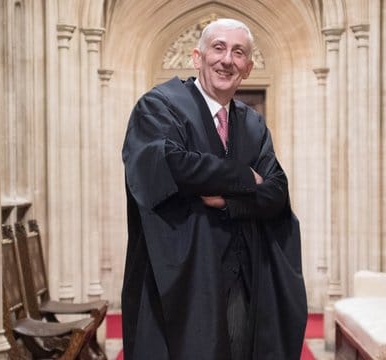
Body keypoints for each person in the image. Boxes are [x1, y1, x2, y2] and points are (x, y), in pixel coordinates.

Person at [121, 18, 307, 359]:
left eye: (239, 53)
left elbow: (277, 191)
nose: (227, 60)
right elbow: (172, 165)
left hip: (241, 281)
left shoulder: (252, 124)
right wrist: (243, 177)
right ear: (197, 56)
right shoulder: (160, 106)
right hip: (182, 279)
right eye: (218, 48)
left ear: (248, 68)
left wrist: (228, 203)